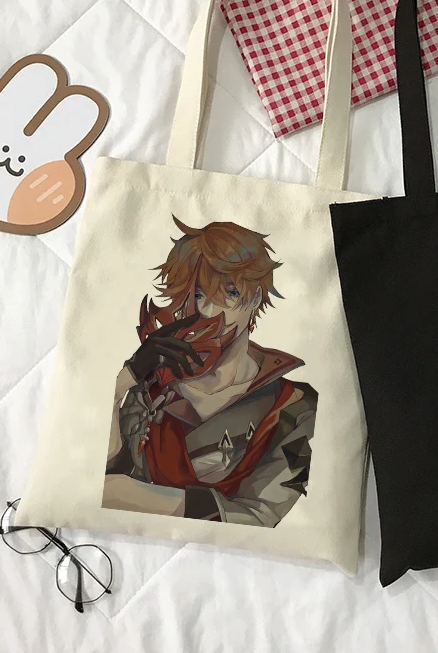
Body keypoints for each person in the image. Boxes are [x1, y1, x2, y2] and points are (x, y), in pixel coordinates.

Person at [103, 216, 316, 527]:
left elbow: (261, 516)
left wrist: (135, 497)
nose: (209, 311)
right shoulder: (153, 384)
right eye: (198, 295)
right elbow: (103, 472)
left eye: (229, 293)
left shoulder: (296, 406)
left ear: (256, 297)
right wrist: (125, 379)